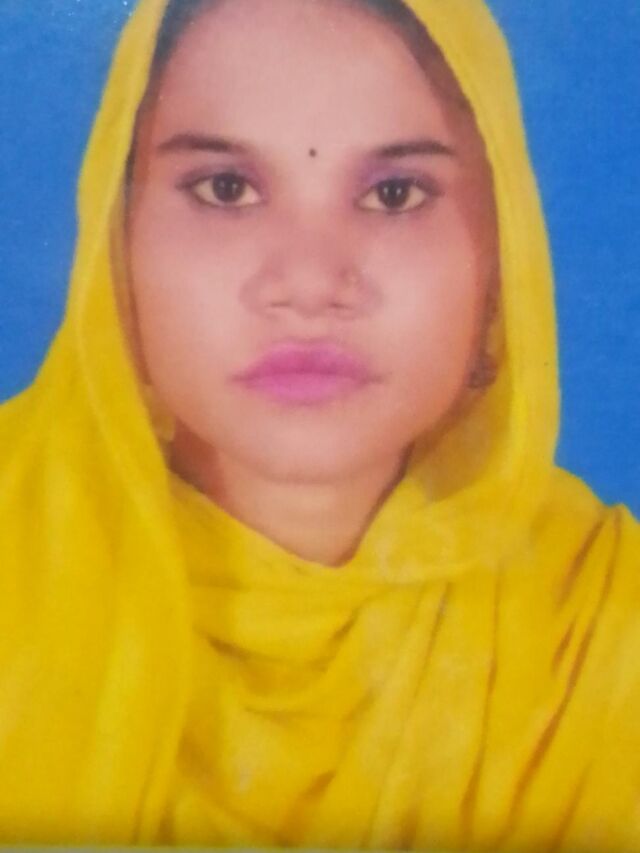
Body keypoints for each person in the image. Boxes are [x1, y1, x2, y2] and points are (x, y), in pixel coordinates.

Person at [0, 0, 638, 849]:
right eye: (226, 189)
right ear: (119, 239)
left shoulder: (598, 623)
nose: (307, 283)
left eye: (393, 194)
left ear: (500, 254)